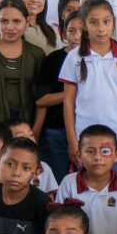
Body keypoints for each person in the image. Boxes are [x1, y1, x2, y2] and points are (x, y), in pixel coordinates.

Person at [62, 0, 117, 174]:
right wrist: (72, 140)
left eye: (106, 21)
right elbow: (68, 102)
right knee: (85, 189)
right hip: (84, 136)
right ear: (84, 25)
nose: (101, 28)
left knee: (115, 188)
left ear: (113, 22)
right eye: (94, 22)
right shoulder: (74, 57)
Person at [0, 0, 45, 125]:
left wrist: (35, 130)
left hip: (26, 122)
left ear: (27, 22)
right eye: (4, 21)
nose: (10, 27)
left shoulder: (37, 54)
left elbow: (41, 96)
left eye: (16, 21)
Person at [34, 10, 83, 181]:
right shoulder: (53, 59)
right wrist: (71, 93)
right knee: (57, 182)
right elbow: (41, 100)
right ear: (63, 33)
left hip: (89, 131)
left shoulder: (100, 59)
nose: (77, 36)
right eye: (71, 30)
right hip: (56, 131)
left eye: (82, 30)